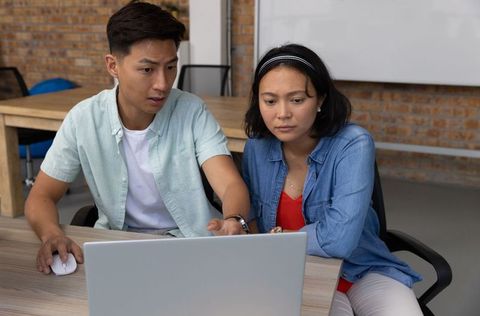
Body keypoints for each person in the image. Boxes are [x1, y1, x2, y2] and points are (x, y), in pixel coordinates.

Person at [25, 0, 250, 275]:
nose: (163, 84)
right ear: (113, 65)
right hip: (119, 246)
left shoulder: (191, 111)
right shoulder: (84, 119)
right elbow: (41, 196)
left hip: (191, 243)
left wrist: (233, 218)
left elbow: (229, 185)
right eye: (147, 69)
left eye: (170, 67)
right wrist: (51, 235)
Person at [242, 43, 423, 315]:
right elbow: (252, 221)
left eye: (297, 100)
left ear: (321, 100)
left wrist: (281, 239)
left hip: (362, 269)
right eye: (270, 101)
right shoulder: (256, 148)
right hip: (298, 272)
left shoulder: (352, 144)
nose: (282, 113)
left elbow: (340, 240)